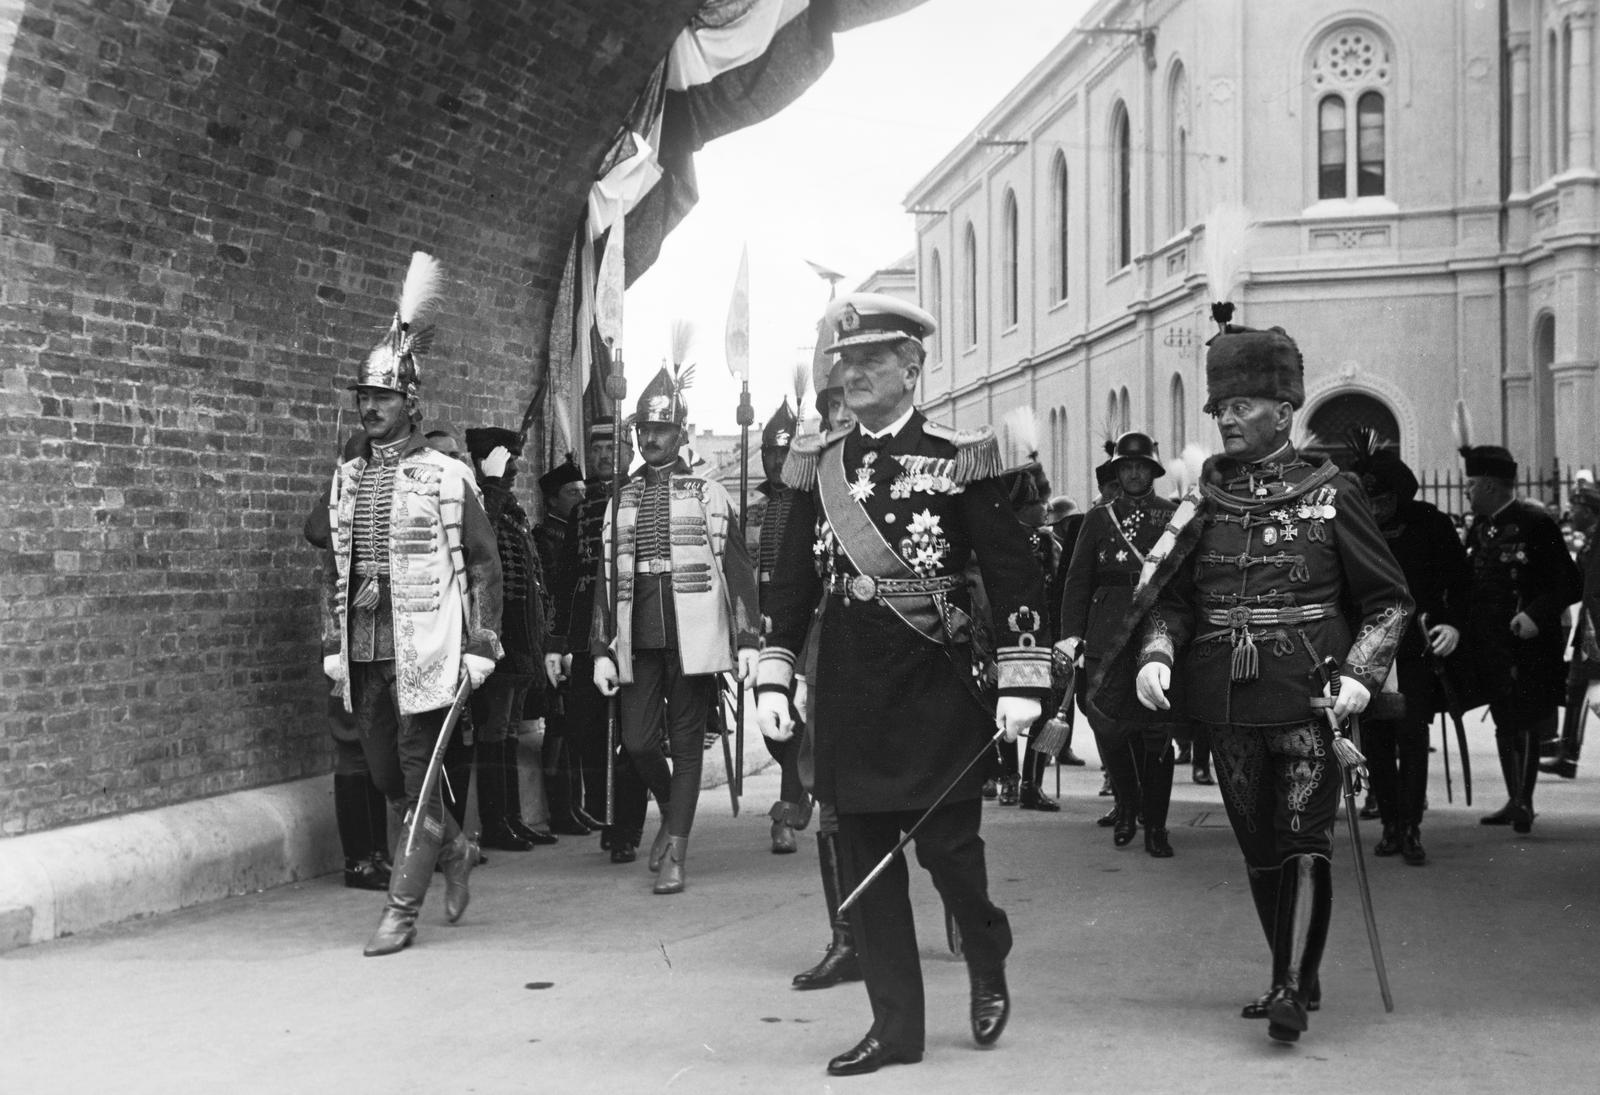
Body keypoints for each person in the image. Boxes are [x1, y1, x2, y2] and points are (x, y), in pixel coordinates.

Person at [756, 293, 1050, 1075]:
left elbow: (1014, 570)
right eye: (843, 361)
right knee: (865, 861)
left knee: (949, 853)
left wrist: (1024, 678)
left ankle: (986, 951)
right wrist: (774, 675)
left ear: (912, 366)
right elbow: (788, 585)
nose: (850, 373)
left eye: (869, 360)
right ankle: (896, 1029)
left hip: (935, 684)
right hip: (849, 690)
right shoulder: (819, 466)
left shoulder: (960, 457)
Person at [1125, 318, 1411, 1043]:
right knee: (1259, 847)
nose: (1226, 418)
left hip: (1312, 693)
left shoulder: (1331, 491)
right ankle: (1296, 970)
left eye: (1242, 405)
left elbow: (1389, 601)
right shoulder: (1205, 499)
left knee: (1304, 835)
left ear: (1284, 412)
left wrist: (1362, 674)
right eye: (1221, 407)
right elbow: (1174, 599)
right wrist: (1156, 651)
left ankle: (1286, 985)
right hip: (1226, 696)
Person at [320, 252, 503, 956]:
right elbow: (335, 566)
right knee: (388, 776)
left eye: (383, 397)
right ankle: (453, 848)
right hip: (365, 652)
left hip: (423, 645)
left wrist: (481, 642)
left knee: (419, 774)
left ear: (411, 404)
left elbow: (483, 564)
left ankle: (401, 910)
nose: (370, 407)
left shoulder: (446, 476)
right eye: (363, 397)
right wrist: (332, 638)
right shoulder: (346, 478)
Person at [591, 371, 760, 893]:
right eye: (643, 429)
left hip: (695, 637)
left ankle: (678, 854)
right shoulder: (620, 499)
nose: (651, 438)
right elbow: (604, 576)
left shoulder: (709, 493)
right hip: (637, 633)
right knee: (639, 743)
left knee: (687, 746)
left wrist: (747, 637)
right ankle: (669, 806)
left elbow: (736, 569)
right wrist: (600, 648)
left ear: (681, 432)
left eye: (661, 429)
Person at [1348, 437, 1470, 865]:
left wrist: (1451, 622)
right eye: (1366, 498)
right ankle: (1390, 824)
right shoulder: (1352, 526)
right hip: (1366, 646)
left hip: (1417, 644)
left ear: (1397, 495)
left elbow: (1460, 581)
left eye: (1379, 498)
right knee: (1377, 739)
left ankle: (1412, 826)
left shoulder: (1430, 524)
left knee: (1412, 735)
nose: (1373, 507)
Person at [1061, 431, 1183, 858]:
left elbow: (1183, 583)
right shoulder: (1098, 519)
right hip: (1106, 634)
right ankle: (1127, 809)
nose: (1133, 473)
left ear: (1152, 471)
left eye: (1141, 467)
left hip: (1156, 633)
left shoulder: (1174, 516)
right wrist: (1071, 636)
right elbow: (1078, 580)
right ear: (1118, 471)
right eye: (1126, 467)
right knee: (1110, 730)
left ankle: (1157, 825)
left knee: (1157, 734)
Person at [1459, 443, 1581, 832]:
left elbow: (1568, 583)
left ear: (1492, 486)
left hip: (1527, 642)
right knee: (1503, 720)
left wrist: (1534, 614)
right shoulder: (1481, 527)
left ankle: (1524, 801)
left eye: (1473, 484)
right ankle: (1514, 799)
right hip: (1490, 641)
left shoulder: (1535, 523)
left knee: (1524, 719)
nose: (1467, 492)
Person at [306, 430, 393, 891]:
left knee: (376, 747)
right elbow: (316, 530)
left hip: (381, 639)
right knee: (352, 748)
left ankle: (378, 852)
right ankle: (358, 859)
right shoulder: (343, 495)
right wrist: (340, 479)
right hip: (344, 637)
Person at [464, 426, 551, 853]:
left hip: (519, 634)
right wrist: (491, 485)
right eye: (506, 460)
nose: (515, 467)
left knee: (511, 728)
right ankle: (497, 823)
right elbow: (482, 540)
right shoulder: (482, 500)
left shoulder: (509, 507)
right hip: (496, 633)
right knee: (495, 729)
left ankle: (512, 819)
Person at [756, 392, 814, 854]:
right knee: (770, 722)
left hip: (805, 622)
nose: (777, 461)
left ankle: (788, 810)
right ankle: (803, 778)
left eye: (784, 451)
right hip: (761, 625)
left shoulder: (811, 499)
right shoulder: (751, 505)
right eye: (769, 453)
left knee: (794, 717)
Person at [1544, 479, 1600, 779]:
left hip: (1596, 632)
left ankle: (1568, 755)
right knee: (1576, 689)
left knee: (1588, 694)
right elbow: (1576, 585)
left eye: (1575, 507)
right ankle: (1567, 756)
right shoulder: (1590, 541)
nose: (1570, 512)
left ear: (1589, 511)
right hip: (1588, 630)